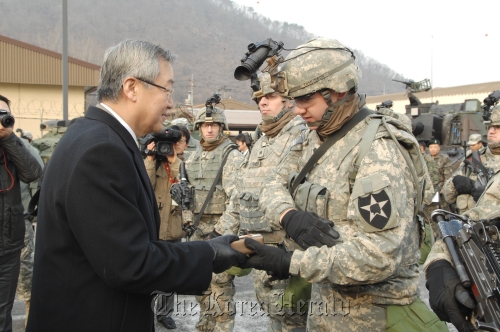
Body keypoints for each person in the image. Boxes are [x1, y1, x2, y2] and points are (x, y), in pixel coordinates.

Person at [25, 40, 245, 332]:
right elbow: (131, 263)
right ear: (131, 88)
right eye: (167, 89)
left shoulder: (92, 134)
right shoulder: (101, 151)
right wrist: (211, 254)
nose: (170, 103)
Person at [238, 38, 446, 331]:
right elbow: (272, 182)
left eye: (305, 100)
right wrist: (288, 215)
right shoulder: (312, 137)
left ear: (336, 91)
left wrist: (290, 262)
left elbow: (379, 256)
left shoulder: (377, 149)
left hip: (374, 315)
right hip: (325, 307)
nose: (297, 110)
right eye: (294, 101)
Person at [224, 72, 308, 331]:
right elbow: (241, 192)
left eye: (270, 96)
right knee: (274, 316)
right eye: (259, 97)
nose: (262, 102)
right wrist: (225, 231)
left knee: (293, 320)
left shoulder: (300, 135)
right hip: (260, 246)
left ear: (287, 101)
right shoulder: (262, 140)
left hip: (287, 251)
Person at [184, 106, 244, 332]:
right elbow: (188, 195)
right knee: (201, 283)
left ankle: (221, 328)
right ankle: (205, 325)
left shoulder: (231, 156)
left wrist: (221, 233)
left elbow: (236, 199)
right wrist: (188, 221)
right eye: (205, 125)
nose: (209, 129)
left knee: (221, 287)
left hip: (219, 231)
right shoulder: (194, 156)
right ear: (199, 128)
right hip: (197, 230)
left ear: (221, 127)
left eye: (214, 125)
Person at [0, 94, 42, 332]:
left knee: (3, 314)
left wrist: (10, 140)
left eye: (4, 115)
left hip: (8, 246)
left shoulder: (11, 145)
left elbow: (33, 172)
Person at [144, 124, 190, 329]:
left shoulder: (186, 164)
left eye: (178, 142)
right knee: (146, 270)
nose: (171, 147)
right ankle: (143, 309)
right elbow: (145, 185)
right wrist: (150, 159)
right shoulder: (151, 162)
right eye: (170, 143)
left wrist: (174, 161)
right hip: (152, 225)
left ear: (185, 145)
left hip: (173, 226)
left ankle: (164, 313)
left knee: (170, 273)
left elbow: (185, 189)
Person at [443, 113, 500, 214]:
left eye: (497, 127)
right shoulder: (474, 159)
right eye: (490, 127)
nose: (491, 131)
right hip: (467, 226)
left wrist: (486, 197)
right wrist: (455, 183)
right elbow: (448, 197)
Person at [16, 132, 44, 327]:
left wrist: (32, 211)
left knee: (25, 274)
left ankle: (29, 322)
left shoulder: (22, 148)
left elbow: (37, 177)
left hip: (18, 220)